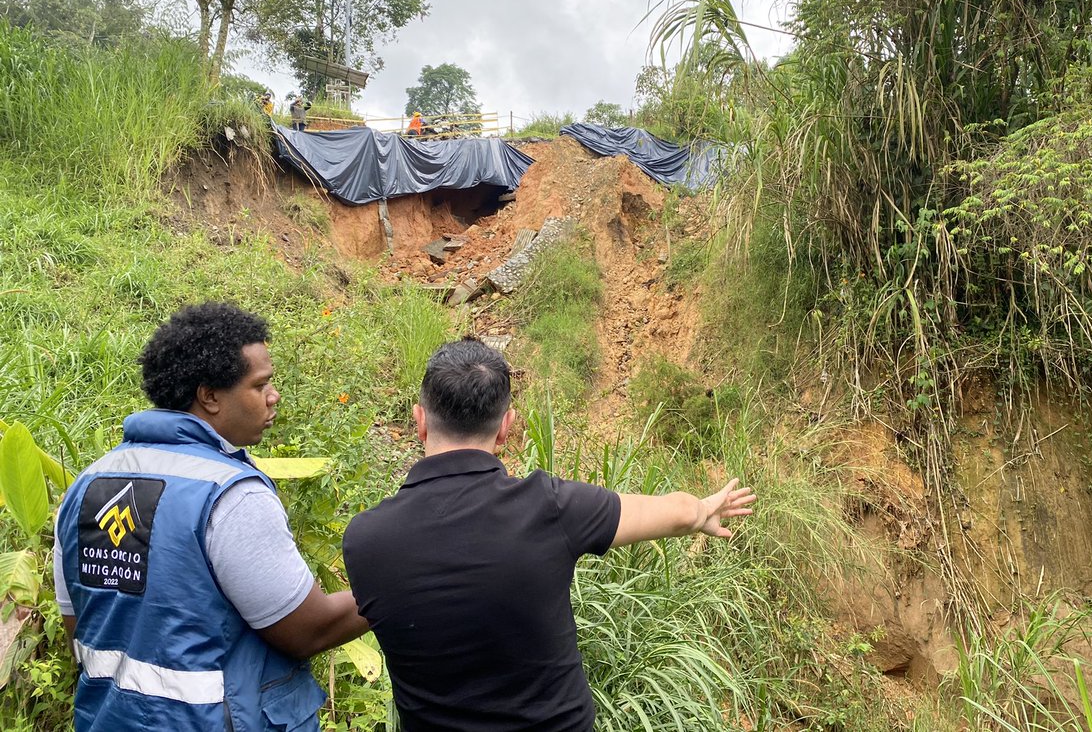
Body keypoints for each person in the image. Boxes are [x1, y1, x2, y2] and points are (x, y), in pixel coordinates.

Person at [342, 338, 755, 732]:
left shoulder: (365, 540)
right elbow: (678, 513)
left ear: (419, 421)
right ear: (505, 428)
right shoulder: (548, 506)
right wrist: (704, 511)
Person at [54, 302, 368, 732]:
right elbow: (307, 630)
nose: (274, 396)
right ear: (210, 396)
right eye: (260, 385)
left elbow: (80, 625)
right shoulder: (231, 495)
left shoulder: (85, 486)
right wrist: (396, 587)